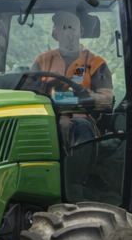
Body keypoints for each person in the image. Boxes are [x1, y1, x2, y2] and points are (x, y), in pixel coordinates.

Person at [32, 10, 114, 147]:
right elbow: (29, 93)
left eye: (70, 28)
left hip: (80, 120)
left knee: (81, 128)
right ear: (55, 33)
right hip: (45, 118)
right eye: (60, 28)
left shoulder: (95, 63)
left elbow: (107, 100)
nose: (66, 32)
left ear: (81, 31)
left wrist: (78, 97)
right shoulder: (42, 61)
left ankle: (83, 165)